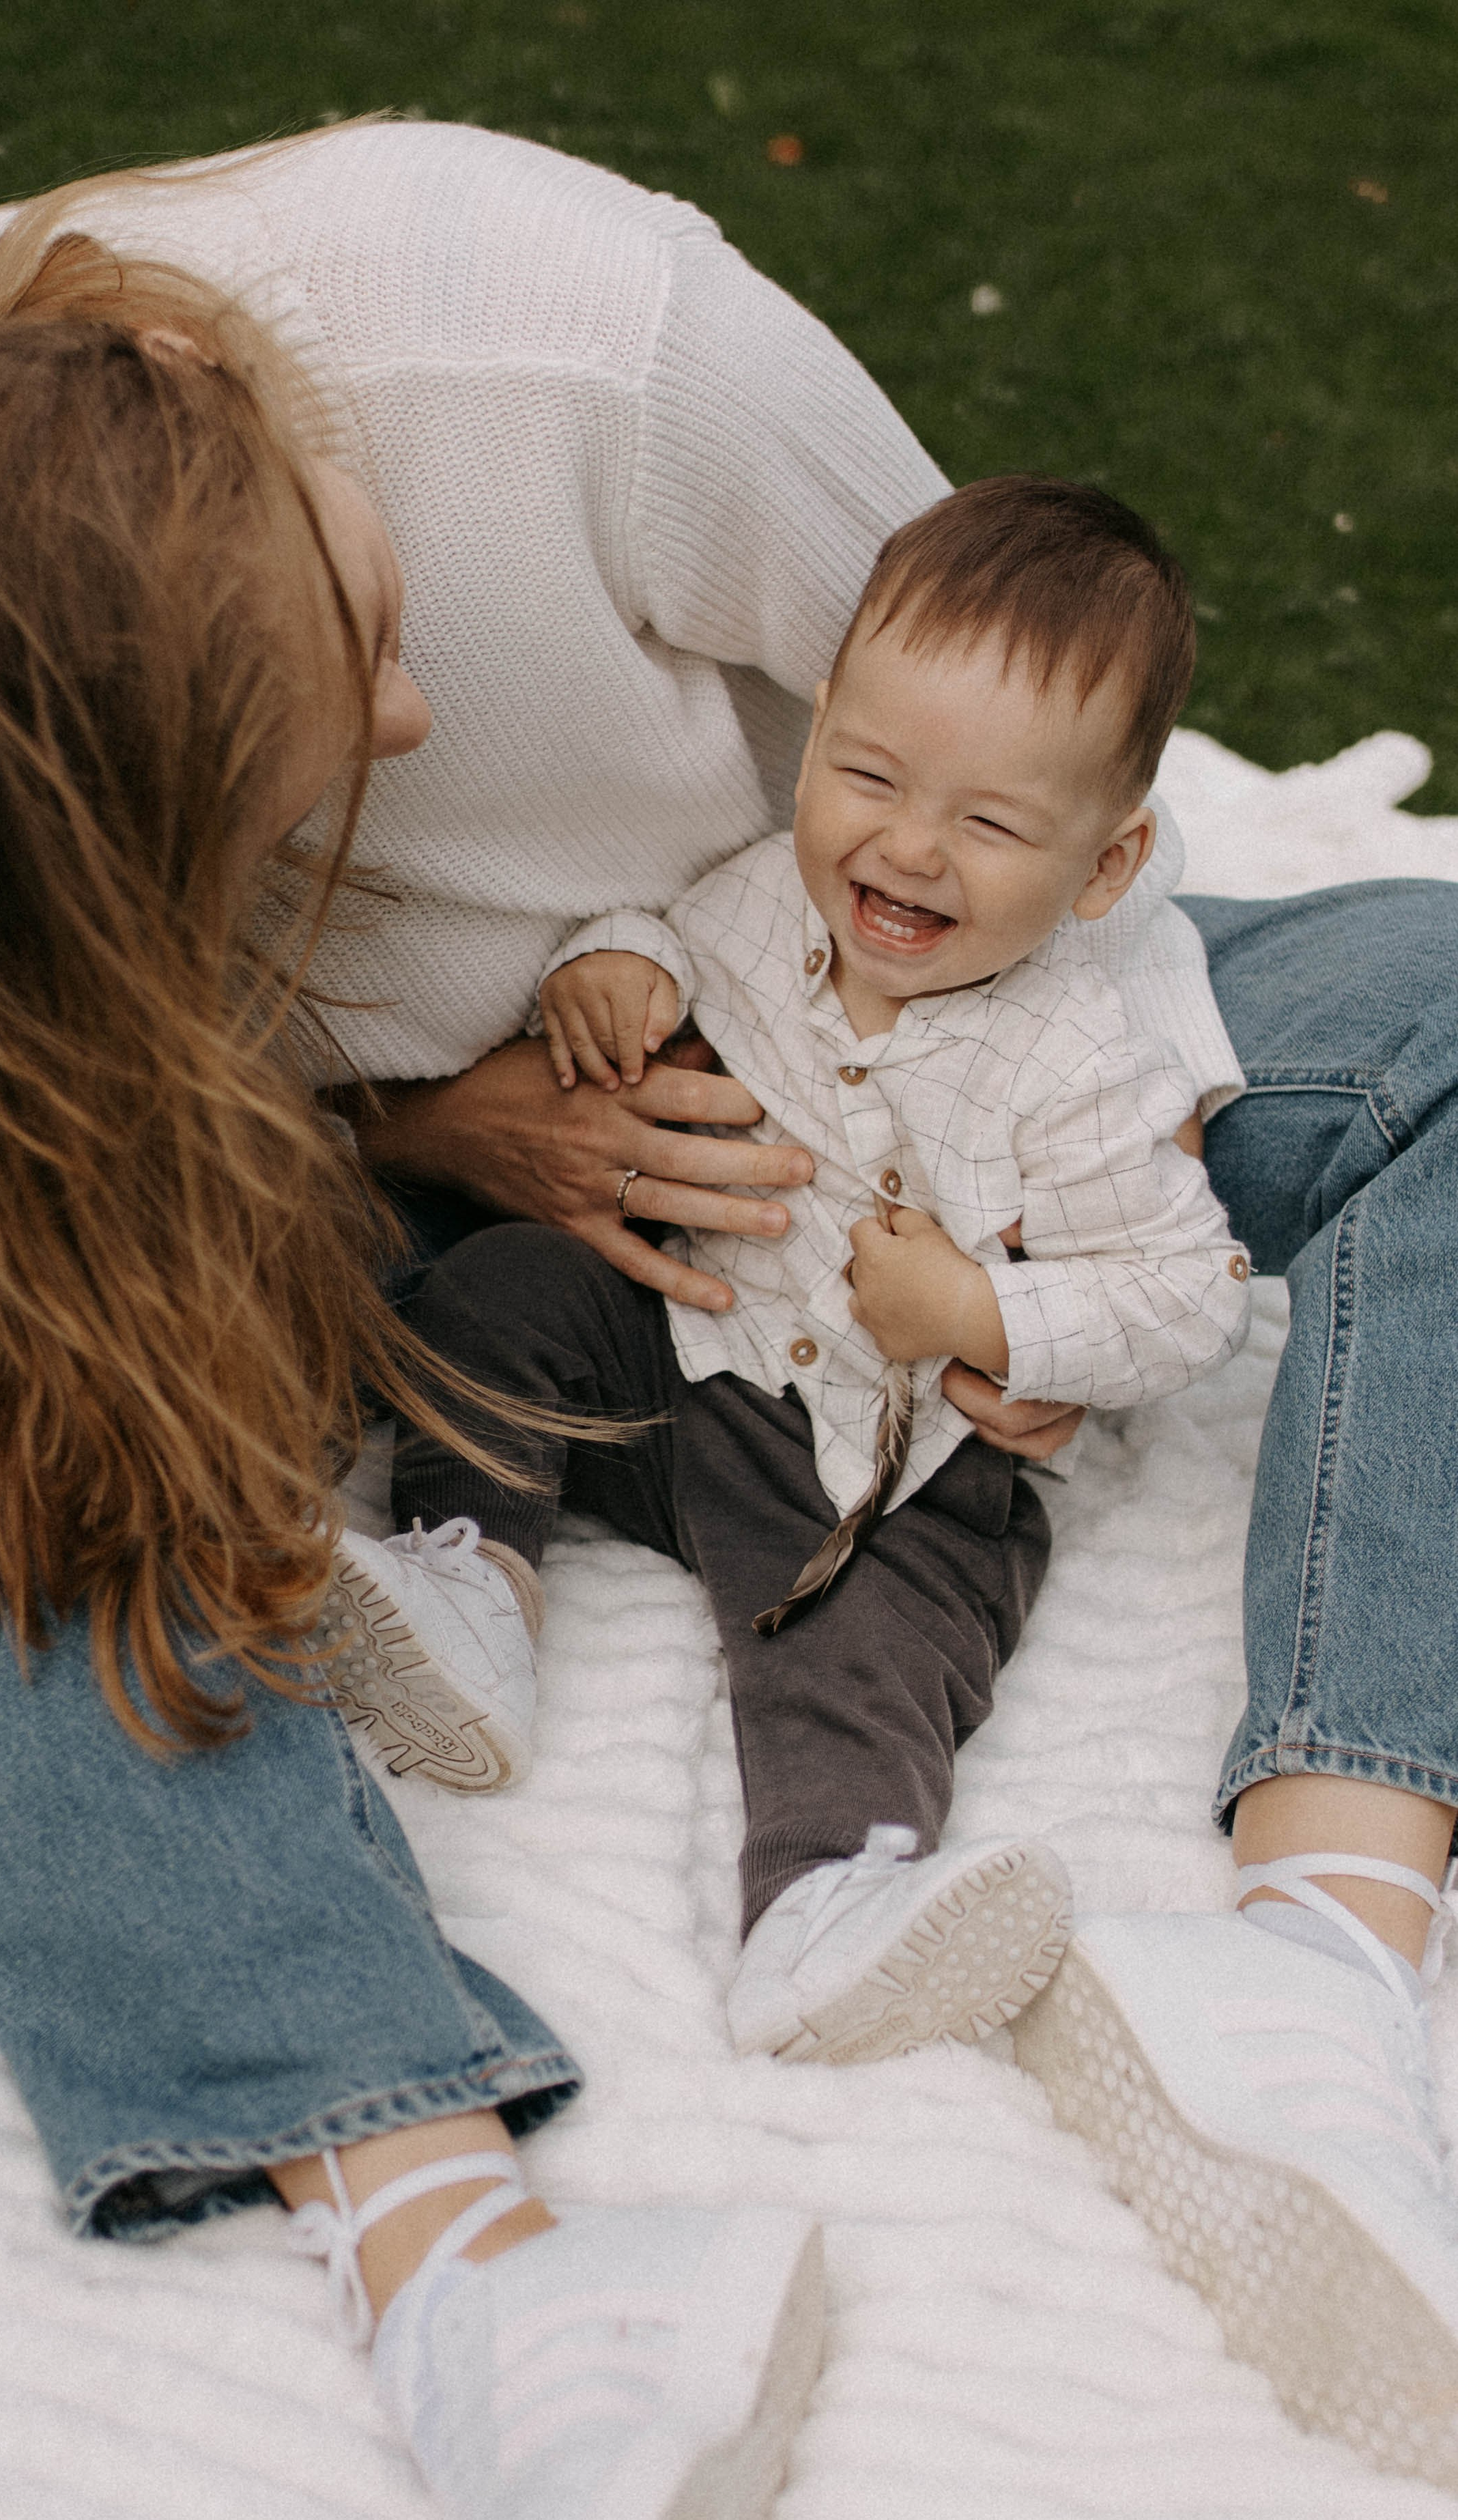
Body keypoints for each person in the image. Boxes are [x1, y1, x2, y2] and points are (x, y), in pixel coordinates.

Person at [0, 115, 1457, 2497]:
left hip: (853, 1046)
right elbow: (79, 1156)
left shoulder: (596, 351)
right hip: (388, 1141)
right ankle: (448, 2246)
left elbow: (990, 768)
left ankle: (1319, 1940)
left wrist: (1033, 1255)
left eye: (365, 635)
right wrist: (424, 1128)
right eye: (286, 807)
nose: (405, 735)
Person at [323, 475, 1253, 2072]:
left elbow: (1186, 1294)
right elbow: (668, 924)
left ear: (1104, 870)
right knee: (509, 1294)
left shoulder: (1089, 1060)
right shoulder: (770, 892)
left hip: (888, 1464)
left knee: (859, 1657)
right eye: (868, 773)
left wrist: (982, 1315)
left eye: (990, 823)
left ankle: (822, 1908)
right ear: (815, 731)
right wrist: (612, 967)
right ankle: (471, 1580)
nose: (905, 844)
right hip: (687, 1357)